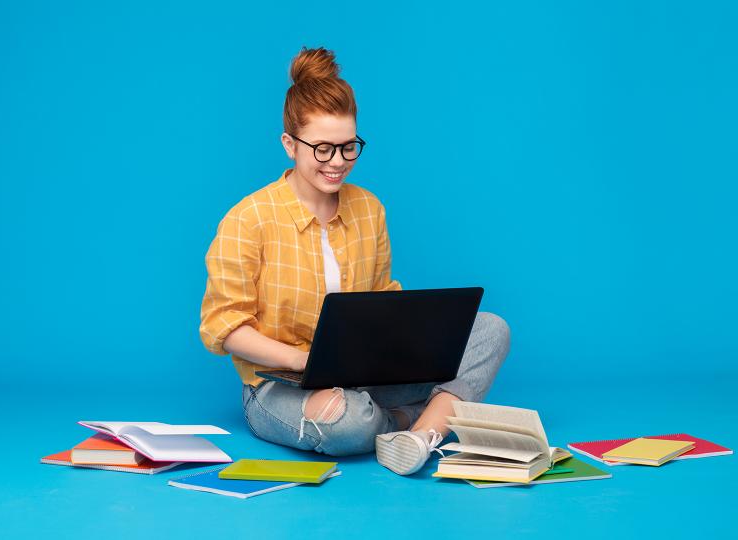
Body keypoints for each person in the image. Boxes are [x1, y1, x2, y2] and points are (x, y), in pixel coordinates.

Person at [199, 46, 510, 475]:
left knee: (491, 329)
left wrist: (415, 344)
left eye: (349, 147)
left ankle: (419, 439)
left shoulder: (369, 209)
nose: (338, 163)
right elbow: (224, 326)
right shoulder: (248, 219)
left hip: (368, 375)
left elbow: (382, 300)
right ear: (290, 144)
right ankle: (418, 419)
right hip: (278, 385)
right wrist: (304, 361)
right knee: (348, 424)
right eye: (323, 149)